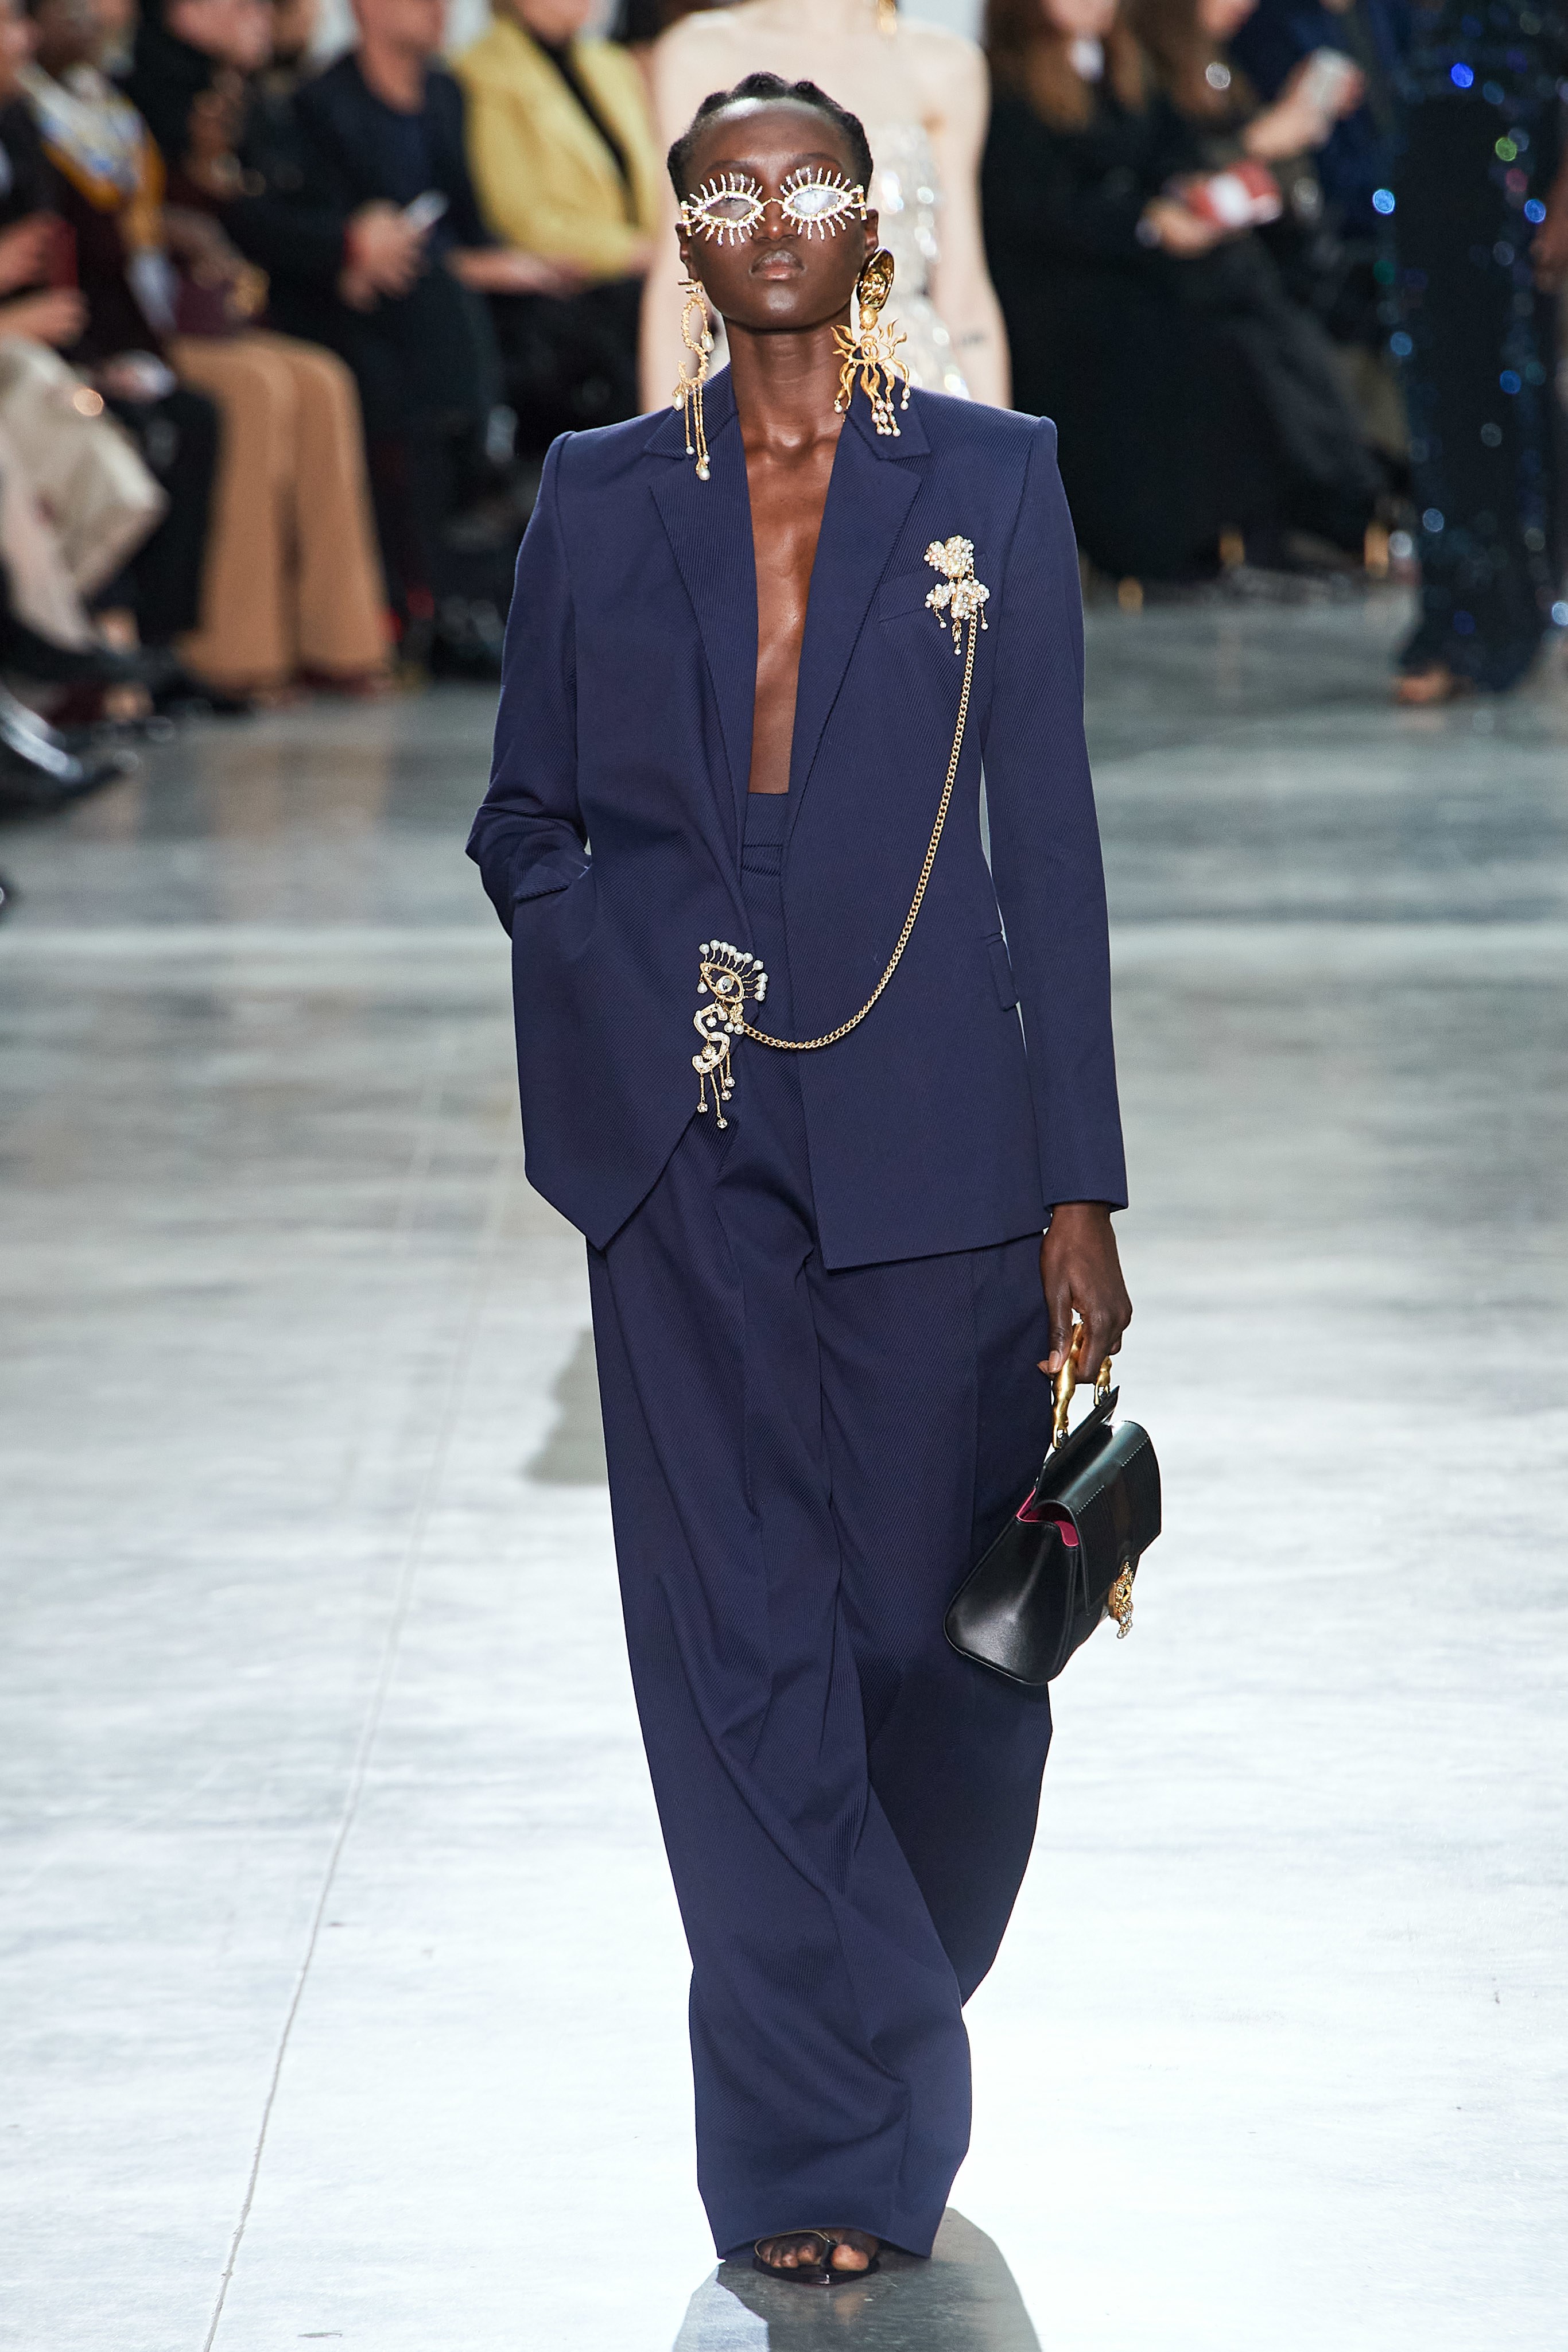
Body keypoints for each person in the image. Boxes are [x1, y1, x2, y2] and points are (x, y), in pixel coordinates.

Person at [468, 71, 1131, 2281]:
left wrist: (1080, 1182)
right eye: (728, 188)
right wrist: (615, 971)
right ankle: (819, 2148)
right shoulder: (596, 495)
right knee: (734, 1651)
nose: (772, 216)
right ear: (679, 235)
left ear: (874, 224)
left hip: (941, 1128)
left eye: (813, 183)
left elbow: (1051, 847)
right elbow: (521, 813)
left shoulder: (995, 482)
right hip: (677, 1134)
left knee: (930, 1650)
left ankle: (877, 2011)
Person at [22, 0, 390, 697]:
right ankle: (236, 649)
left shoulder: (111, 101)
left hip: (162, 314)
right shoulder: (76, 104)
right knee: (255, 389)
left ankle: (338, 638)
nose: (93, 18)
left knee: (321, 378)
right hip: (111, 332)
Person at [267, 0, 569, 660]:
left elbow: (465, 214)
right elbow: (336, 237)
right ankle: (441, 584)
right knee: (432, 336)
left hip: (444, 289)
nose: (438, 10)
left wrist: (494, 263)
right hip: (366, 303)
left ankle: (527, 562)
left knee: (561, 319)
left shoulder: (445, 92)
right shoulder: (320, 104)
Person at [641, 0, 1010, 412]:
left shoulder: (944, 65)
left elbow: (963, 292)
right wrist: (660, 437)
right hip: (763, 386)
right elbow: (678, 279)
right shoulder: (702, 55)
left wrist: (1002, 441)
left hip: (912, 382)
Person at [1388, 0, 1568, 699]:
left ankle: (1504, 617)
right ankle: (1455, 615)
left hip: (1516, 150)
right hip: (1430, 143)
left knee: (1506, 390)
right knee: (1440, 393)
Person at [454, 0, 662, 450]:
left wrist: (666, 248)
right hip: (564, 288)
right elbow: (520, 217)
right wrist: (634, 253)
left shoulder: (611, 65)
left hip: (636, 273)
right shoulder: (480, 71)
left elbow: (651, 179)